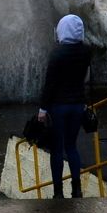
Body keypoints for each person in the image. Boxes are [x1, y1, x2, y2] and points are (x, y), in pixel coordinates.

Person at [37, 15, 92, 199]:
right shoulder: (85, 52)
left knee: (57, 149)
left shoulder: (57, 54)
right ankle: (76, 189)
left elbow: (49, 84)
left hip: (59, 107)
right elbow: (86, 78)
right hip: (78, 106)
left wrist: (43, 110)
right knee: (72, 146)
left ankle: (58, 192)